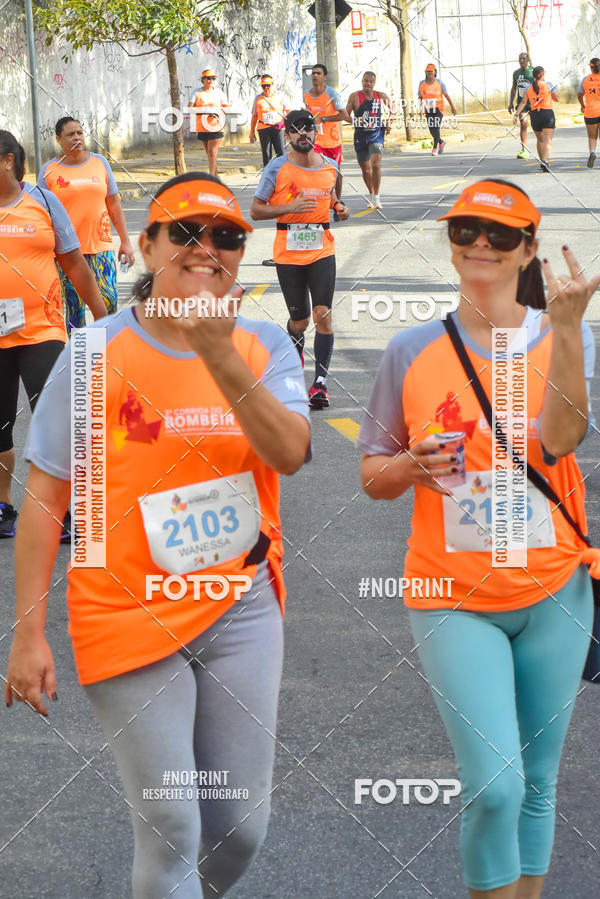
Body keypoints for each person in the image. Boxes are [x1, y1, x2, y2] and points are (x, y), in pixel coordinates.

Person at [5, 171, 311, 898]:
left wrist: (221, 351)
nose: (208, 248)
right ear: (147, 243)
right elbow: (46, 493)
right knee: (174, 823)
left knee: (238, 829)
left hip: (242, 607)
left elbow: (292, 452)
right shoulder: (93, 354)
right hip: (125, 609)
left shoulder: (266, 345)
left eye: (228, 235)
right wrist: (27, 630)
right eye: (187, 231)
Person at [358, 178, 600, 899]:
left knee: (537, 780)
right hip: (451, 594)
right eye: (466, 230)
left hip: (557, 587)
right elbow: (372, 474)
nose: (480, 246)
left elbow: (559, 441)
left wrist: (563, 329)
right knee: (495, 783)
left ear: (529, 247)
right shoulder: (410, 349)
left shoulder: (570, 334)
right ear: (451, 241)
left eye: (501, 235)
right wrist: (409, 464)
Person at [0, 130, 106, 540]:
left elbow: (76, 263)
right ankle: (4, 505)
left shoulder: (42, 201)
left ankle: (58, 510)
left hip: (42, 328)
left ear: (8, 161)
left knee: (54, 420)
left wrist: (103, 319)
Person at [250, 110, 349, 410]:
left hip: (322, 250)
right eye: (295, 131)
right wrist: (289, 207)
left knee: (323, 315)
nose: (302, 134)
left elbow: (331, 196)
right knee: (301, 320)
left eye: (307, 129)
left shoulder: (331, 167)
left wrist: (339, 207)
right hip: (288, 252)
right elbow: (256, 210)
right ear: (287, 136)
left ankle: (319, 384)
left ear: (316, 134)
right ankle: (293, 359)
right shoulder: (276, 168)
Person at [37, 117, 134, 334]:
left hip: (102, 247)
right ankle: (80, 360)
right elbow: (40, 215)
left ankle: (108, 354)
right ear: (59, 139)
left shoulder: (99, 162)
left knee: (109, 302)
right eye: (70, 135)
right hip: (68, 254)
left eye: (80, 133)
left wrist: (125, 242)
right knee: (75, 310)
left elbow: (114, 204)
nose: (77, 138)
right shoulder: (48, 171)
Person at [303, 63, 346, 216]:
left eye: (318, 73)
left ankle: (337, 203)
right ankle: (317, 204)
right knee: (315, 170)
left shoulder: (332, 94)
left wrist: (325, 118)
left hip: (333, 141)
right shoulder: (307, 95)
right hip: (316, 141)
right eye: (313, 73)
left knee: (335, 172)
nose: (315, 76)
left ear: (325, 77)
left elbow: (344, 115)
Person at [346, 71, 391, 209]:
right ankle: (371, 194)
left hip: (376, 134)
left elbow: (392, 109)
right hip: (360, 136)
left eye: (371, 82)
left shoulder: (381, 96)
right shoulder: (354, 97)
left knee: (376, 164)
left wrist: (388, 121)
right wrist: (355, 120)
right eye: (366, 81)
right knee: (366, 169)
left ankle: (377, 197)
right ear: (362, 81)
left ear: (374, 83)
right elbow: (344, 115)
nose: (368, 84)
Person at [514, 67, 559, 172]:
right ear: (543, 74)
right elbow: (557, 98)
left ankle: (542, 161)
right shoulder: (549, 84)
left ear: (533, 76)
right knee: (547, 140)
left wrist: (516, 115)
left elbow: (523, 102)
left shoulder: (528, 87)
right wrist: (552, 93)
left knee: (540, 140)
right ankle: (545, 161)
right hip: (547, 113)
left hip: (535, 115)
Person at [190, 69, 230, 176]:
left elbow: (226, 108)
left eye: (213, 78)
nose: (211, 80)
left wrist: (218, 112)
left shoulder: (219, 93)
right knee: (210, 154)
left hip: (216, 126)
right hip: (202, 127)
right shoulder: (197, 93)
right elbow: (190, 109)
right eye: (208, 78)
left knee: (212, 153)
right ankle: (216, 177)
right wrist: (205, 112)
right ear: (203, 79)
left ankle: (211, 179)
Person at [249, 75, 288, 167]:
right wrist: (252, 132)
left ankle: (283, 175)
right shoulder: (258, 98)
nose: (266, 88)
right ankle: (268, 176)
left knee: (281, 153)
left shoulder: (280, 96)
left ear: (272, 84)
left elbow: (288, 112)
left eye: (268, 85)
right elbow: (254, 116)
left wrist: (289, 129)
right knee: (266, 154)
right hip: (263, 129)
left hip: (279, 128)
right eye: (263, 86)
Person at [418, 63, 457, 156]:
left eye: (431, 71)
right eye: (428, 71)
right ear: (425, 72)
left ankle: (435, 148)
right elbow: (420, 96)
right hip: (428, 109)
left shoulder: (440, 83)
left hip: (438, 108)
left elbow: (446, 95)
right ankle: (441, 141)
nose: (430, 73)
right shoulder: (422, 83)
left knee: (436, 126)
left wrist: (452, 107)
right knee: (431, 130)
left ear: (435, 72)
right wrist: (419, 106)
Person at [508, 52, 534, 159]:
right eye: (520, 59)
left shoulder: (533, 72)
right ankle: (524, 149)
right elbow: (514, 88)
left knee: (538, 128)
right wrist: (510, 103)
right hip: (522, 104)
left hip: (534, 104)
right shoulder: (516, 73)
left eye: (523, 58)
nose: (521, 60)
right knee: (523, 123)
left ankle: (543, 147)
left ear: (528, 60)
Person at [577, 57, 600, 168]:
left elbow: (580, 95)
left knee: (592, 137)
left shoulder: (585, 79)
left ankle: (592, 153)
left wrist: (582, 105)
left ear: (591, 67)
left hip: (590, 111)